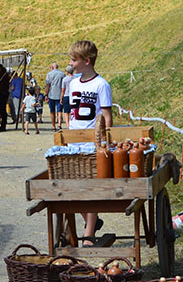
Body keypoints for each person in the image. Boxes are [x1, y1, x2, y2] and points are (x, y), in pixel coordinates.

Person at [67, 40, 113, 246]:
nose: (70, 63)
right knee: (73, 187)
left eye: (74, 60)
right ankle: (92, 222)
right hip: (73, 140)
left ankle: (88, 235)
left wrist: (105, 139)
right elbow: (69, 110)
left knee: (91, 187)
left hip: (92, 141)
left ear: (86, 61)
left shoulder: (101, 84)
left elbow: (106, 114)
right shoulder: (73, 83)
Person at [44, 63, 66, 132]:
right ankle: (59, 125)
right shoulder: (62, 74)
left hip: (51, 94)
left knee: (52, 111)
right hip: (60, 94)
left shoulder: (49, 74)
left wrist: (46, 94)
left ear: (52, 67)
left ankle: (53, 126)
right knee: (59, 111)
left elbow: (48, 85)